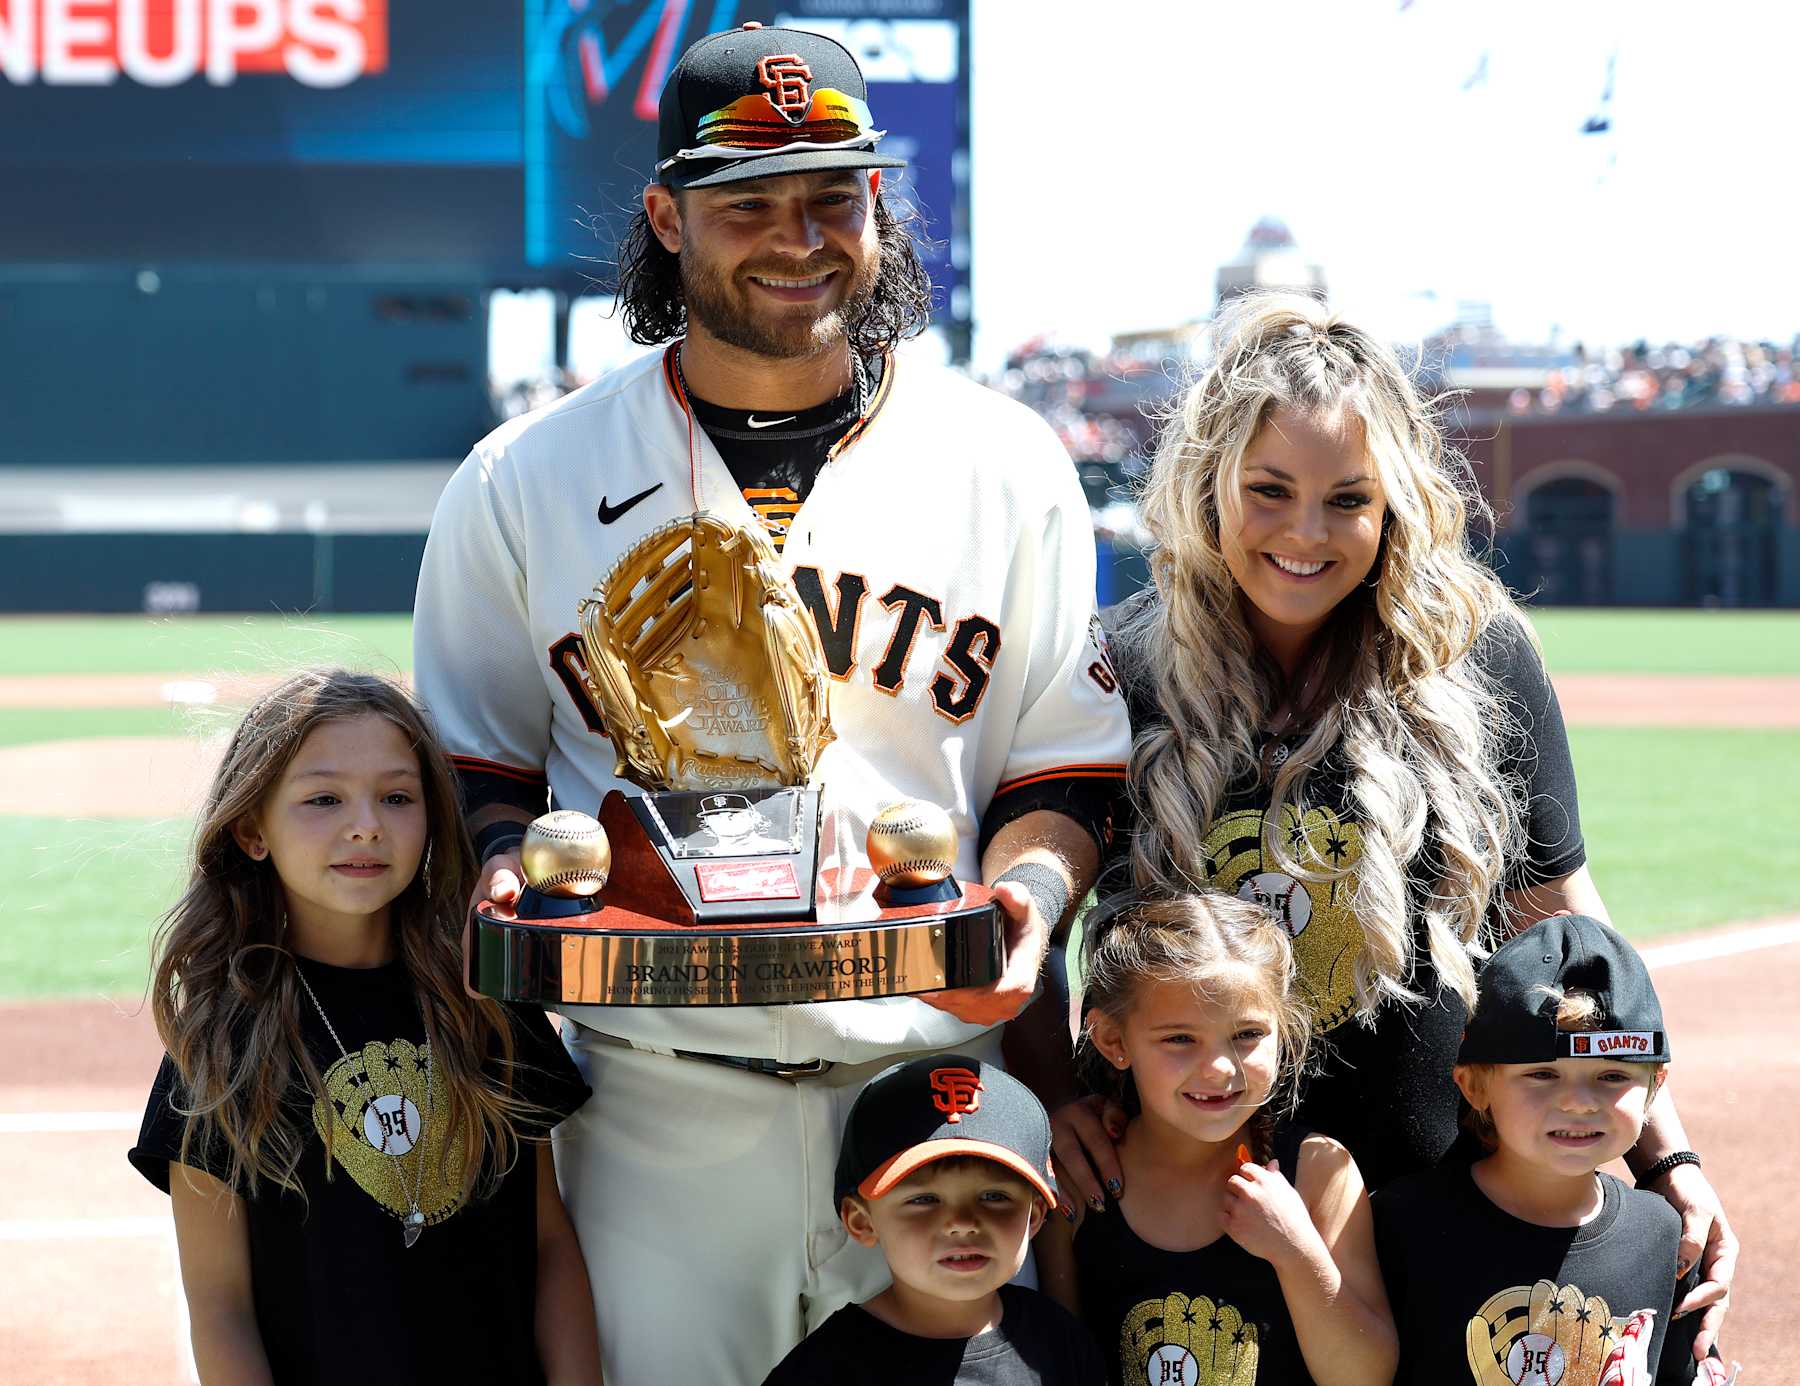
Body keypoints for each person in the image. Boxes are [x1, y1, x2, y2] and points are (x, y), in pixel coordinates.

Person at [410, 22, 1130, 1384]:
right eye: (749, 202)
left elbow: (1062, 771)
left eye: (832, 194)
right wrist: (511, 872)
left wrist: (1026, 906)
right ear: (669, 215)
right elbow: (477, 763)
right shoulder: (527, 478)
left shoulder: (1006, 461)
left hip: (934, 1096)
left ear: (878, 208)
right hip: (656, 1103)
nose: (799, 236)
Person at [1051, 292, 1735, 1363]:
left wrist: (1669, 1158)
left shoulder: (1479, 658)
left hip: (1425, 1191)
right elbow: (1042, 910)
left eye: (1348, 500)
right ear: (1207, 484)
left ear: (1397, 503)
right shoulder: (1118, 664)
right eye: (1269, 491)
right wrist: (1058, 1095)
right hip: (1178, 1208)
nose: (1305, 534)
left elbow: (1558, 922)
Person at [127, 670, 601, 1386]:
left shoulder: (487, 1002)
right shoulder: (223, 1039)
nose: (367, 825)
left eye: (397, 797)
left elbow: (549, 1245)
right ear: (253, 829)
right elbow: (221, 1308)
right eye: (324, 798)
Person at [1035, 892, 1394, 1386]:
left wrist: (1295, 1253)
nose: (1221, 1068)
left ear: (1282, 1034)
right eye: (1180, 1039)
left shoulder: (1317, 1172)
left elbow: (1365, 1376)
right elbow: (1057, 1367)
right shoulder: (1077, 1179)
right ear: (1114, 1041)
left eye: (1247, 1034)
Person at [1376, 914, 1731, 1385]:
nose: (1579, 1103)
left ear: (1654, 1086)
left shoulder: (1666, 1233)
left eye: (1612, 1076)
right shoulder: (1401, 1223)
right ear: (1474, 1086)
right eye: (1542, 1074)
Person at [762, 1054, 1105, 1385]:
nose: (962, 1222)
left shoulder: (1058, 1341)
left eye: (994, 1197)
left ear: (1035, 1216)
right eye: (924, 1200)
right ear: (862, 1221)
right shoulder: (824, 1369)